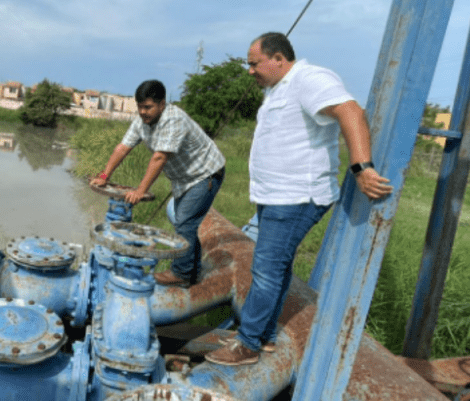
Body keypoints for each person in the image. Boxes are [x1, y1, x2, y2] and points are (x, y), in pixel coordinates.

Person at [206, 32, 392, 366]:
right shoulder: (280, 89)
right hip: (276, 196)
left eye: (254, 63)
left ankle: (247, 345)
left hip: (294, 198)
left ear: (278, 58)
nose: (250, 71)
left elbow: (350, 111)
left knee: (265, 269)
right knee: (274, 268)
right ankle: (264, 336)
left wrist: (362, 167)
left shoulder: (308, 78)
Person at [90, 80, 226, 288]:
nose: (143, 112)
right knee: (185, 224)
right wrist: (104, 176)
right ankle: (192, 272)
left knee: (184, 223)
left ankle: (182, 274)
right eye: (140, 107)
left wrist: (140, 191)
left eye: (148, 107)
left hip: (205, 174)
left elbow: (160, 158)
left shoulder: (174, 119)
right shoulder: (141, 122)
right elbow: (122, 148)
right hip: (183, 178)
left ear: (162, 104)